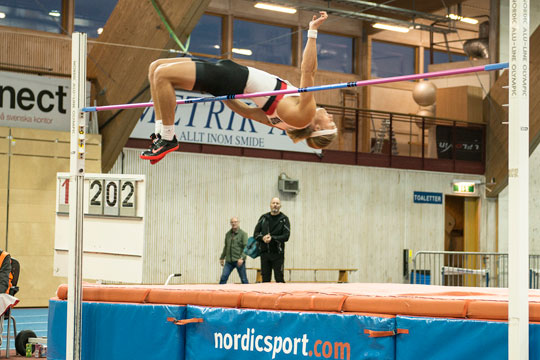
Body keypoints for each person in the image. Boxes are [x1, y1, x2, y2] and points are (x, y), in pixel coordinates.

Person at [141, 11, 337, 163]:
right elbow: (246, 112)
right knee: (155, 67)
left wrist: (313, 32)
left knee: (162, 75)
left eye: (331, 124)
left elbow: (308, 72)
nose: (332, 118)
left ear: (317, 128)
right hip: (232, 78)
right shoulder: (284, 123)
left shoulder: (305, 115)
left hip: (233, 78)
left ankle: (167, 137)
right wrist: (223, 93)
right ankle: (161, 134)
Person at [253, 197, 290, 283]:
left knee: (279, 278)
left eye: (277, 203)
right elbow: (255, 234)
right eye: (273, 203)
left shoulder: (284, 219)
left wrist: (272, 238)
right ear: (270, 205)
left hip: (278, 254)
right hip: (265, 253)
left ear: (280, 206)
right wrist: (263, 238)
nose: (275, 205)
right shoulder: (263, 218)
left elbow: (286, 236)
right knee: (265, 279)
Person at [219, 217, 249, 284]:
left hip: (239, 261)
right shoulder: (228, 234)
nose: (234, 223)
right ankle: (219, 293)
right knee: (223, 277)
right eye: (232, 222)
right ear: (230, 223)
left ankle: (248, 292)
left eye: (235, 222)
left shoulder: (243, 234)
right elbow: (226, 247)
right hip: (229, 261)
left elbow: (246, 247)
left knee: (243, 279)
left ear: (238, 222)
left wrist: (242, 258)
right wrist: (222, 257)